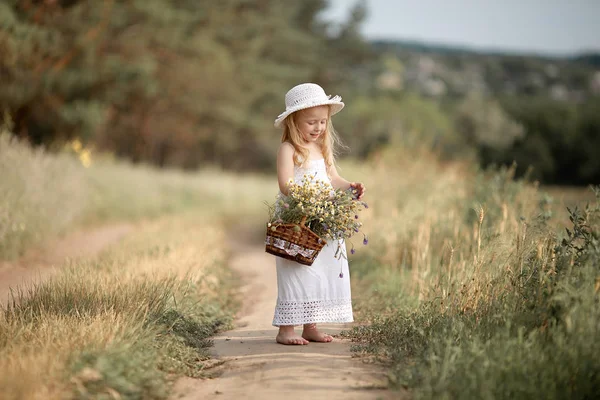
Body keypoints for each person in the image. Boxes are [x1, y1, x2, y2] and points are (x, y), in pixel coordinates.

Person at [272, 83, 366, 345]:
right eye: (311, 122)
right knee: (296, 270)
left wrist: (350, 187)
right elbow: (285, 184)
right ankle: (286, 329)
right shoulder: (289, 149)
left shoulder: (322, 149)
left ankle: (310, 326)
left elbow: (332, 178)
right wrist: (310, 199)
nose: (318, 128)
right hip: (298, 218)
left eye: (323, 122)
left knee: (320, 270)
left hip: (323, 219)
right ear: (293, 122)